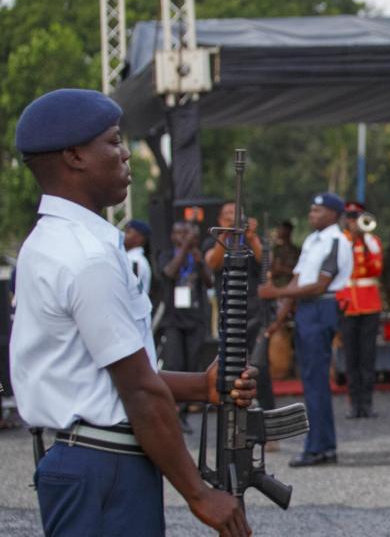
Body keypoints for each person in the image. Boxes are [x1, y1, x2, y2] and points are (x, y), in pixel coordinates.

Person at [10, 88, 257, 536]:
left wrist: (202, 386)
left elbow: (107, 374)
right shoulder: (86, 255)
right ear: (74, 157)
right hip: (104, 466)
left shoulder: (55, 242)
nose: (125, 154)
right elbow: (139, 390)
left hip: (93, 458)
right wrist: (199, 494)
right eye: (113, 141)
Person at [258, 192, 353, 467]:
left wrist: (273, 291)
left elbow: (320, 285)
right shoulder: (312, 241)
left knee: (316, 381)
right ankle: (319, 445)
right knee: (310, 380)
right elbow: (297, 282)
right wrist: (278, 317)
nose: (312, 215)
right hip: (306, 308)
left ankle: (320, 447)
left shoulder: (337, 241)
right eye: (311, 210)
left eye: (318, 211)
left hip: (322, 306)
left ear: (334, 214)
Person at [205, 201, 274, 413]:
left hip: (254, 310)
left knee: (259, 366)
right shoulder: (215, 238)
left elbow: (266, 262)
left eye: (236, 214)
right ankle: (230, 411)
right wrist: (225, 235)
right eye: (227, 214)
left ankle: (265, 414)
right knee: (228, 363)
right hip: (228, 308)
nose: (231, 217)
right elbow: (212, 263)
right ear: (219, 220)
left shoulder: (254, 238)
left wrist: (251, 236)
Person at [157, 220, 214, 432]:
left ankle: (181, 414)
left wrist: (199, 261)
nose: (182, 236)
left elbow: (210, 282)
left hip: (195, 320)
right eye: (178, 233)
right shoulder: (166, 253)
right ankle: (169, 412)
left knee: (191, 366)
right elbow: (169, 273)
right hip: (173, 321)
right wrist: (183, 250)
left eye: (186, 233)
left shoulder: (197, 255)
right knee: (174, 364)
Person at [337, 201, 385, 419]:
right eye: (350, 217)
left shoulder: (372, 241)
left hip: (369, 305)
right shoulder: (340, 242)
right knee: (350, 357)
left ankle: (367, 403)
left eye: (357, 216)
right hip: (347, 305)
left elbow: (377, 268)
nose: (354, 221)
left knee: (368, 356)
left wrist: (363, 243)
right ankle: (354, 403)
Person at [124, 219, 153, 298]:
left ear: (139, 238)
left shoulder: (135, 261)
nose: (123, 235)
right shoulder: (131, 258)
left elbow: (132, 292)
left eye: (128, 232)